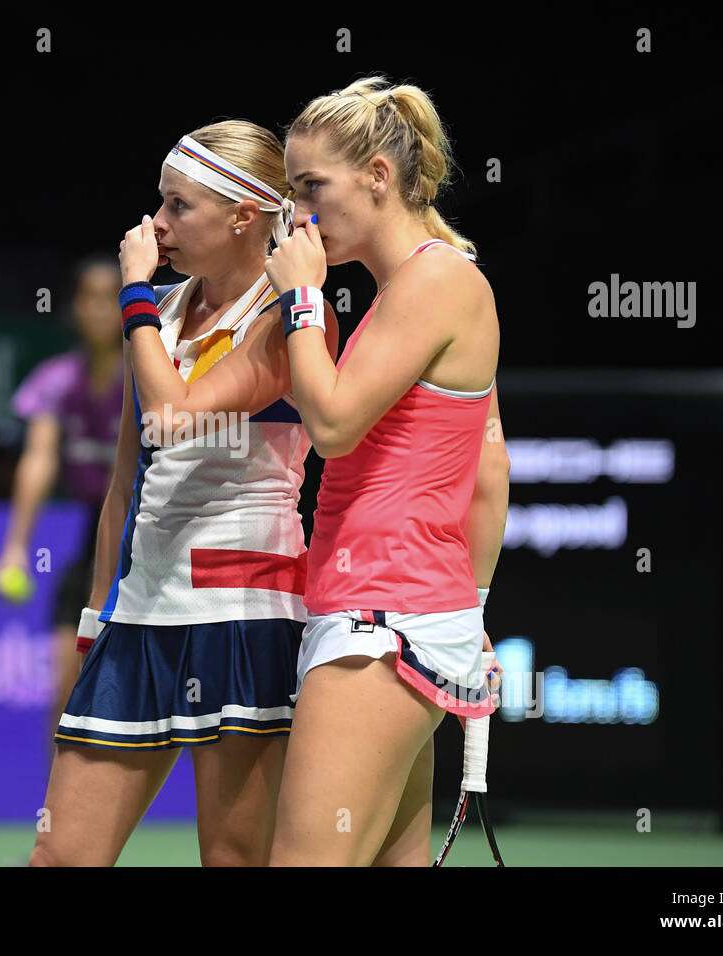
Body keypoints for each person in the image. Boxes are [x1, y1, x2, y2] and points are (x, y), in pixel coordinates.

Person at [29, 121, 340, 867]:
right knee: (60, 857)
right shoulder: (158, 316)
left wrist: (133, 290)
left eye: (179, 206)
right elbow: (124, 482)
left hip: (245, 616)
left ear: (242, 215)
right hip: (140, 613)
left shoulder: (287, 317)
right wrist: (94, 613)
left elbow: (172, 418)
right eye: (159, 204)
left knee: (232, 858)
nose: (156, 224)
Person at [263, 76, 511, 866]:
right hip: (404, 616)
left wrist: (302, 299)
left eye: (312, 188)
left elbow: (332, 426)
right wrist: (468, 613)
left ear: (377, 175)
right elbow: (490, 466)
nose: (300, 213)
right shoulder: (427, 284)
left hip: (381, 622)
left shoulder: (436, 283)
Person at [0, 254, 125, 753]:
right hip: (94, 539)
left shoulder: (150, 372)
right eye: (87, 298)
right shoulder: (56, 380)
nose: (97, 310)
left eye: (109, 298)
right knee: (65, 679)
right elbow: (39, 461)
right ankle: (58, 818)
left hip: (153, 537)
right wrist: (15, 548)